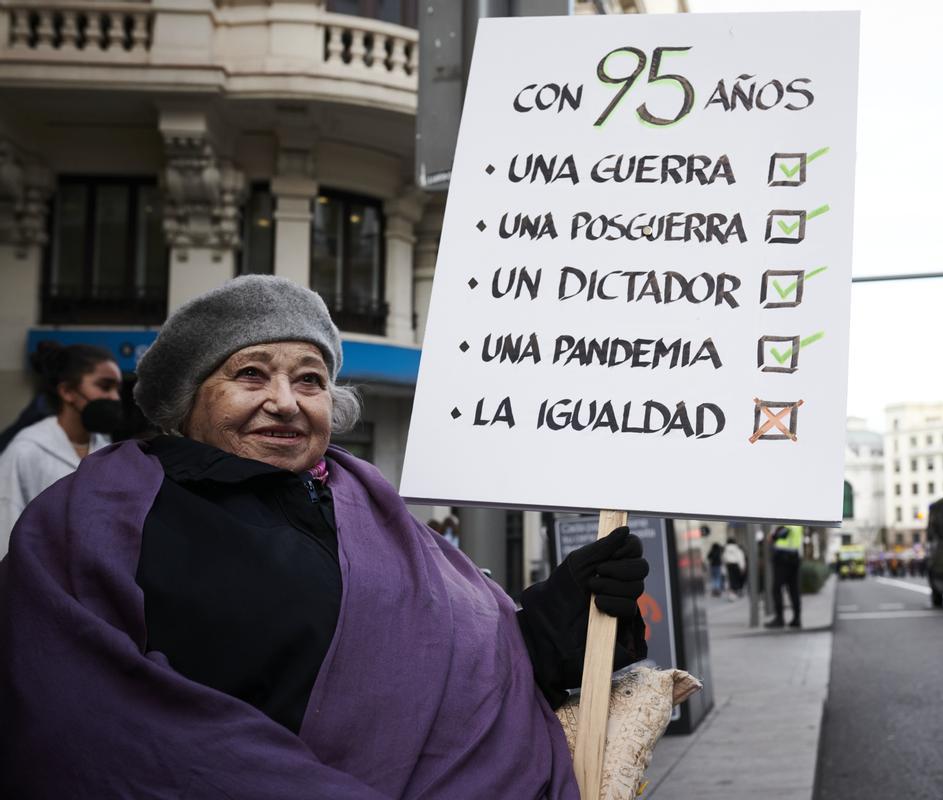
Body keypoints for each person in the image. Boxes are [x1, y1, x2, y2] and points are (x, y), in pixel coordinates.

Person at [0, 275, 649, 798]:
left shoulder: (368, 500)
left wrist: (569, 607)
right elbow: (92, 719)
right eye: (251, 374)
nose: (286, 401)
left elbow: (479, 651)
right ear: (185, 402)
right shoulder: (98, 511)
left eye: (309, 379)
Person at [0, 341, 122, 552]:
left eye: (116, 389)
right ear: (67, 391)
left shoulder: (104, 446)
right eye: (105, 386)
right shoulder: (26, 450)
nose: (114, 397)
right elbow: (5, 527)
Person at [765, 525, 803, 629]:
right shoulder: (798, 520)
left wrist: (773, 537)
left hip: (783, 558)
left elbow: (783, 532)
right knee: (794, 590)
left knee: (776, 589)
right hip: (794, 556)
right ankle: (797, 618)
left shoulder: (786, 518)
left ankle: (780, 619)